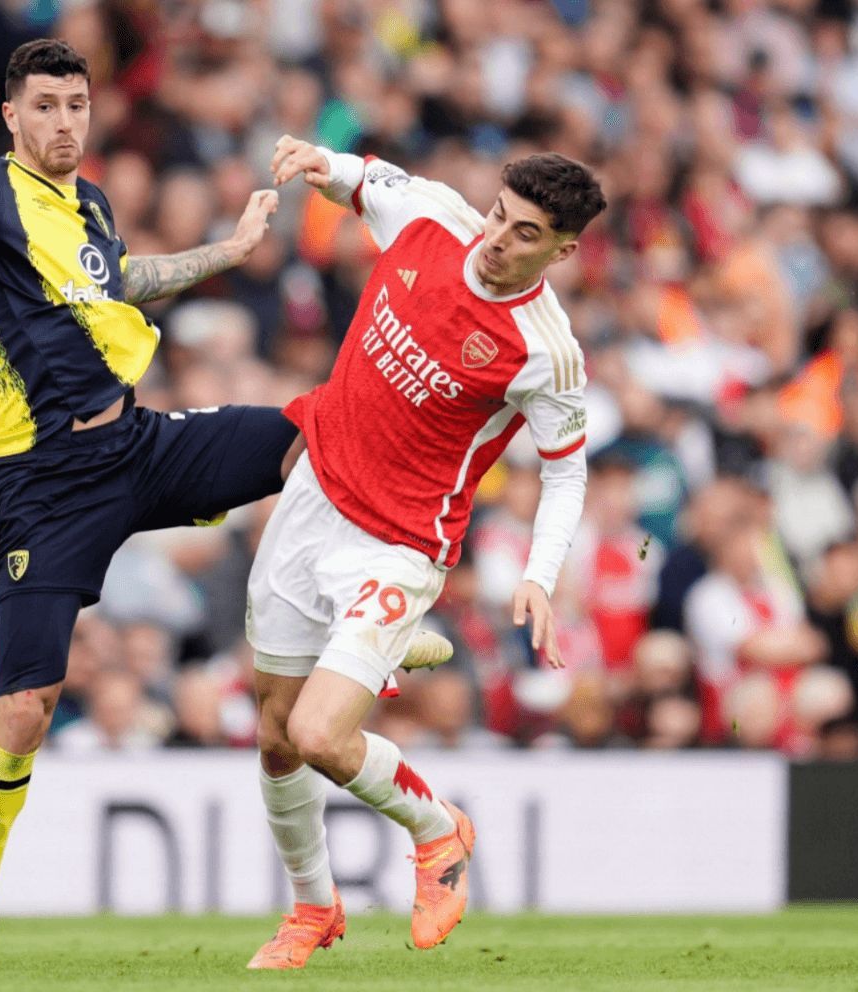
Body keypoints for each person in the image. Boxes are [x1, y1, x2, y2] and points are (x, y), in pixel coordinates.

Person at [0, 39, 298, 971]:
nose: (65, 123)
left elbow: (119, 282)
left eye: (77, 106)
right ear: (11, 114)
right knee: (25, 707)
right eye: (47, 107)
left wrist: (227, 250)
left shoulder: (88, 200)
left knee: (312, 432)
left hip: (134, 442)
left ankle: (362, 608)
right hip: (44, 479)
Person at [241, 137, 605, 968]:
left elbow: (567, 475)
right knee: (275, 737)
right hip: (310, 505)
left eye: (524, 234)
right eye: (499, 214)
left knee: (322, 735)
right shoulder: (435, 215)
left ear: (563, 249)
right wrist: (314, 158)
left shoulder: (546, 352)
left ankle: (439, 832)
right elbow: (362, 180)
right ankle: (312, 911)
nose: (497, 238)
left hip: (398, 543)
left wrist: (539, 577)